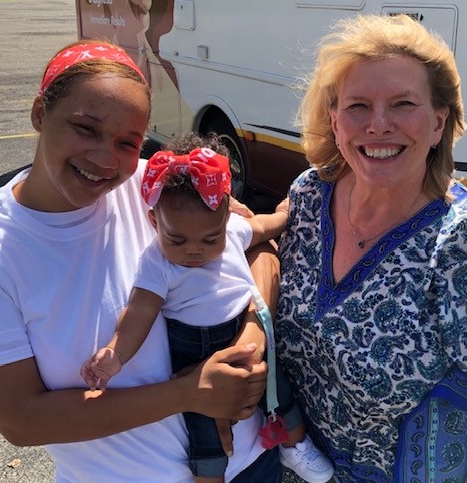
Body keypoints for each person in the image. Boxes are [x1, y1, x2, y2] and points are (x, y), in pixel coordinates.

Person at [0, 39, 282, 482]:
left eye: (127, 142)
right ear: (40, 113)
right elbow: (23, 421)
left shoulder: (161, 186)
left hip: (251, 464)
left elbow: (257, 247)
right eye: (85, 128)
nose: (105, 159)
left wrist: (252, 335)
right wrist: (189, 394)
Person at [274, 14, 467, 483]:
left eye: (403, 104)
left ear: (438, 122)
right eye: (358, 106)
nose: (378, 125)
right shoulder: (310, 195)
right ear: (334, 120)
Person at [80, 131, 334, 483]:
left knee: (277, 387)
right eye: (177, 239)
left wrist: (286, 212)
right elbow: (138, 312)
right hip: (195, 353)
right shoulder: (156, 261)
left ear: (226, 215)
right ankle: (210, 477)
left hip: (243, 327)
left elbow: (263, 227)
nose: (195, 250)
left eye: (210, 238)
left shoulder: (232, 231)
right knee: (205, 427)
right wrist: (115, 353)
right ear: (154, 221)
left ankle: (295, 445)